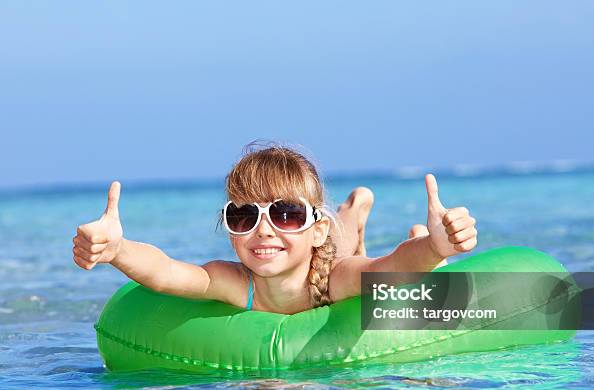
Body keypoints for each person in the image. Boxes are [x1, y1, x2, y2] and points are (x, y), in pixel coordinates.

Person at [72, 143, 477, 314]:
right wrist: (117, 249)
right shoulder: (235, 282)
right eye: (245, 215)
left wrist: (434, 249)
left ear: (312, 225)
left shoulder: (336, 279)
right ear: (231, 229)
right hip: (316, 241)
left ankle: (354, 210)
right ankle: (346, 214)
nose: (263, 230)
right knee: (333, 240)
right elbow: (166, 271)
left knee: (348, 248)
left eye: (286, 213)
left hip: (327, 256)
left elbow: (389, 270)